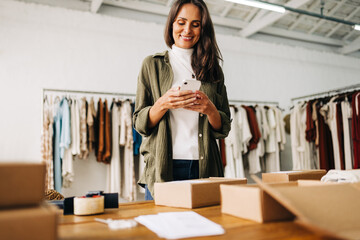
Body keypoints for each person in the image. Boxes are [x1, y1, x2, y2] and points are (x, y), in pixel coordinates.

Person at [133, 0, 231, 200]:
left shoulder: (213, 70)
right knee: (162, 228)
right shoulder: (152, 65)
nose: (187, 30)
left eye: (195, 24)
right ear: (171, 24)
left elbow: (224, 127)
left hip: (204, 168)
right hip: (163, 167)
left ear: (203, 29)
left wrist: (210, 109)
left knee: (204, 229)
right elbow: (140, 124)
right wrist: (163, 104)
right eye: (181, 22)